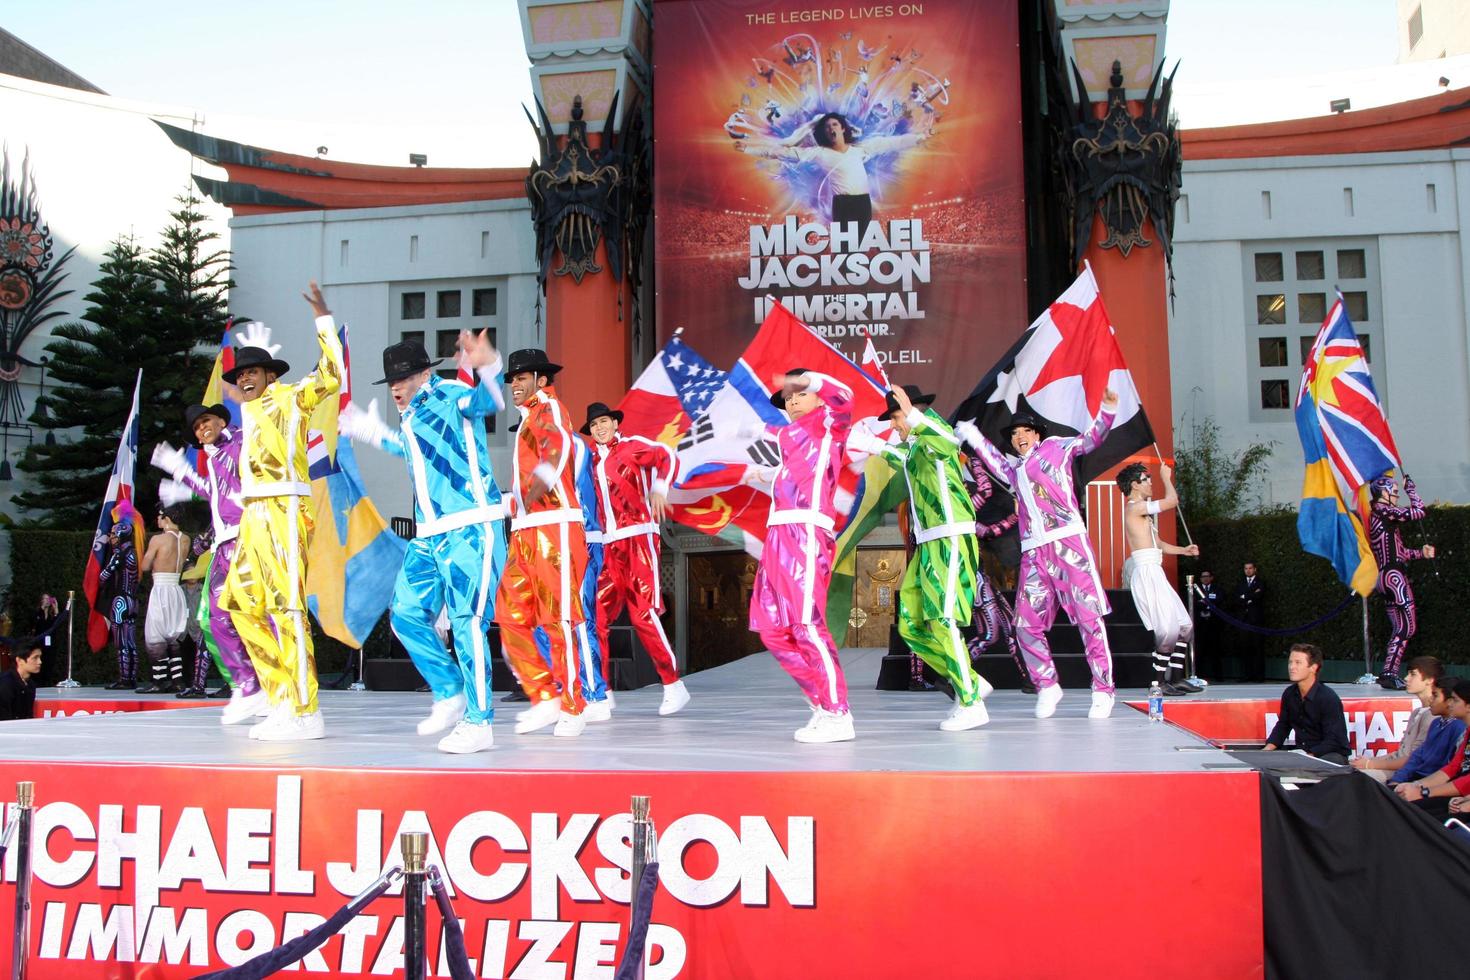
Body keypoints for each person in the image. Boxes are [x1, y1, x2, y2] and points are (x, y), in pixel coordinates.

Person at [340, 331, 508, 754]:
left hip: (470, 526)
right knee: (405, 615)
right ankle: (450, 690)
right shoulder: (410, 412)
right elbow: (415, 452)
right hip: (429, 534)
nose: (396, 387)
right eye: (391, 381)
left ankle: (479, 719)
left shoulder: (451, 393)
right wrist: (371, 431)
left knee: (468, 623)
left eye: (404, 378)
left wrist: (490, 366)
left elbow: (488, 402)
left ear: (424, 373)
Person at [219, 284, 344, 741]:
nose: (246, 379)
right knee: (238, 602)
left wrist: (322, 319)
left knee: (287, 605)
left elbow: (331, 376)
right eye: (241, 375)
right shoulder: (245, 416)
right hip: (253, 513)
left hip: (286, 506)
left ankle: (305, 708)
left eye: (253, 372)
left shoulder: (290, 397)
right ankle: (280, 697)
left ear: (270, 375)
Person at [956, 391, 1121, 719]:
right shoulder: (1014, 470)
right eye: (1014, 434)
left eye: (1024, 432)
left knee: (1089, 619)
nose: (1018, 438)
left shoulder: (1057, 447)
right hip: (1034, 551)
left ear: (1037, 434)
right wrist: (973, 436)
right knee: (1025, 624)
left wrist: (1107, 410)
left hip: (1068, 544)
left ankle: (1103, 690)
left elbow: (1092, 439)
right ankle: (1046, 684)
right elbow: (995, 462)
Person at [852, 384, 991, 731]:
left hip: (951, 537)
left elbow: (946, 442)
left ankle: (972, 703)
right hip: (927, 544)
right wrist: (867, 441)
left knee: (942, 619)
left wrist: (912, 415)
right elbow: (898, 455)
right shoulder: (914, 446)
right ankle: (970, 681)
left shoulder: (937, 433)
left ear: (912, 410)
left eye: (896, 417)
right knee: (911, 625)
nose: (895, 425)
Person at [752, 368, 856, 742]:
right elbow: (758, 435)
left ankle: (838, 712)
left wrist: (808, 379)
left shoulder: (828, 424)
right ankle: (821, 703)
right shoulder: (786, 435)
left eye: (799, 394)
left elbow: (844, 394)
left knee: (806, 624)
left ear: (815, 395)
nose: (793, 401)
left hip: (806, 533)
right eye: (789, 397)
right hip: (777, 534)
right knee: (771, 629)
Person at [495, 348, 590, 738]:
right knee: (509, 614)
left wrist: (542, 480)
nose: (515, 384)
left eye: (522, 378)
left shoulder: (549, 406)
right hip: (525, 529)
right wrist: (511, 502)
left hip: (556, 527)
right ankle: (545, 697)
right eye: (512, 379)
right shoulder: (525, 420)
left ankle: (572, 704)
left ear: (540, 379)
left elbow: (560, 446)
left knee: (558, 619)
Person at [153, 403, 265, 724]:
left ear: (219, 419)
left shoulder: (240, 440)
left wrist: (182, 474)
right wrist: (182, 480)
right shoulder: (215, 453)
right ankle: (249, 686)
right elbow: (217, 493)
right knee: (213, 619)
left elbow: (237, 489)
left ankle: (272, 686)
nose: (203, 428)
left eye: (206, 421)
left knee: (256, 616)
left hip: (248, 538)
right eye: (197, 427)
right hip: (226, 544)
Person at [582, 401, 691, 716]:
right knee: (596, 617)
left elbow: (667, 455)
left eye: (604, 422)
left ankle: (673, 684)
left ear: (615, 423)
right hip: (606, 546)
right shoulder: (587, 460)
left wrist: (660, 487)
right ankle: (602, 692)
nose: (600, 428)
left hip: (638, 539)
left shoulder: (632, 448)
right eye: (594, 425)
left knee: (643, 613)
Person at [737, 111, 931, 229]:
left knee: (862, 244)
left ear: (843, 128)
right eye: (827, 126)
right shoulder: (819, 153)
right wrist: (748, 148)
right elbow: (781, 152)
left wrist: (920, 137)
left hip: (863, 203)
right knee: (846, 247)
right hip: (842, 205)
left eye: (835, 124)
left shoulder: (860, 150)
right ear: (824, 133)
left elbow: (891, 143)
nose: (831, 128)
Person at [1118, 462, 1202, 696]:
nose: (1151, 482)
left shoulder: (1142, 510)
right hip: (1147, 572)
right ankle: (1157, 683)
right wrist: (1167, 477)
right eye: (1147, 479)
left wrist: (1183, 550)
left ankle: (1175, 678)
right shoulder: (1135, 508)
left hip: (1155, 569)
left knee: (1184, 627)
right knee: (1167, 631)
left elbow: (1159, 544)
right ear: (1135, 484)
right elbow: (1172, 502)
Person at [961, 452, 1027, 692]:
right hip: (973, 577)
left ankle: (1028, 678)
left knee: (1009, 625)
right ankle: (957, 674)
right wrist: (974, 461)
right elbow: (986, 490)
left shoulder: (962, 514)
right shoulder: (960, 513)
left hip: (975, 577)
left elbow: (988, 529)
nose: (971, 495)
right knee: (990, 634)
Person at [1367, 474, 1436, 690]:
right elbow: (1418, 511)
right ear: (1384, 493)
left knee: (1400, 626)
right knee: (1407, 626)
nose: (1397, 497)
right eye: (1395, 493)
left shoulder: (1380, 516)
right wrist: (1412, 490)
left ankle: (1389, 671)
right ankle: (1389, 672)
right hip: (1393, 576)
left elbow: (1400, 552)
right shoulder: (1383, 510)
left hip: (1385, 576)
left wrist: (1420, 554)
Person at [1350, 656, 1443, 782]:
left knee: (1354, 779)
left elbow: (1413, 759)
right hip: (1398, 769)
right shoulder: (1417, 712)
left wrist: (1369, 764)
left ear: (1429, 680)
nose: (1406, 678)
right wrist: (1367, 762)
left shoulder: (1432, 716)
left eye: (1412, 674)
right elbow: (1400, 754)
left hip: (1408, 776)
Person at [1393, 679, 1470, 820]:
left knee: (1417, 818)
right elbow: (1452, 768)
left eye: (1455, 700)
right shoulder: (1467, 732)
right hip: (1460, 794)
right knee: (1405, 809)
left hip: (1461, 795)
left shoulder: (1459, 728)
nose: (1450, 703)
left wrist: (1424, 792)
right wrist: (1416, 786)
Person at [1263, 643, 1350, 764]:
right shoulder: (1289, 694)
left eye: (1298, 663)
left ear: (1313, 667)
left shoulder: (1328, 698)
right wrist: (1266, 751)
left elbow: (1334, 741)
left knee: (1328, 761)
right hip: (1303, 753)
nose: (1292, 667)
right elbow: (1283, 725)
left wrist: (1308, 756)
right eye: (1290, 662)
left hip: (1328, 755)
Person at [137, 506, 192, 694]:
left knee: (155, 636)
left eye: (159, 518)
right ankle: (177, 680)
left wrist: (151, 558)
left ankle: (159, 681)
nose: (157, 522)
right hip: (176, 588)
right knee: (174, 635)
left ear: (166, 518)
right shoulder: (186, 539)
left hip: (161, 587)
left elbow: (144, 565)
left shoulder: (158, 539)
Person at [1384, 675, 1465, 786]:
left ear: (1449, 701)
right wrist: (1397, 780)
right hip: (1418, 779)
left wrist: (1418, 788)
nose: (1430, 699)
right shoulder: (1436, 723)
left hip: (1433, 784)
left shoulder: (1458, 727)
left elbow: (1451, 770)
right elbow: (1416, 757)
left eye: (1435, 695)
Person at [97, 504, 141, 690]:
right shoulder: (134, 553)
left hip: (120, 600)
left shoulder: (119, 555)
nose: (112, 538)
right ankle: (132, 677)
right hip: (133, 600)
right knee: (131, 641)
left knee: (121, 642)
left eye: (114, 534)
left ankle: (124, 679)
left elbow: (103, 576)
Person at [1235, 561, 1267, 682]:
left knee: (1257, 648)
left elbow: (1259, 596)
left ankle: (1259, 676)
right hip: (1243, 620)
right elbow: (1237, 598)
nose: (1248, 570)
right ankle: (1245, 675)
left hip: (1256, 620)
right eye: (1246, 568)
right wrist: (1250, 596)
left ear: (1255, 569)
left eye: (1250, 568)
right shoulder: (1241, 583)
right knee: (1244, 648)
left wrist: (1245, 597)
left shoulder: (1260, 582)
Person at [1192, 570, 1222, 681]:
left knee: (1215, 651)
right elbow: (1194, 602)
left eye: (1207, 576)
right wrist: (1206, 603)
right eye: (1203, 576)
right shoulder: (1196, 590)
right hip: (1200, 625)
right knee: (1199, 651)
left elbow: (1219, 600)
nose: (1205, 578)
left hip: (1213, 624)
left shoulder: (1217, 589)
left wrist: (1206, 603)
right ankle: (1199, 675)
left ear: (1211, 578)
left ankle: (1218, 676)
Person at [0, 642, 41, 720]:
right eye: (35, 658)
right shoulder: (5, 683)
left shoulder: (30, 684)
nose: (39, 662)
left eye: (39, 657)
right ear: (19, 660)